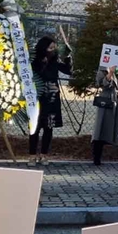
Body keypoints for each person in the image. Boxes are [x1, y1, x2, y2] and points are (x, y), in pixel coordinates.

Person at [29, 36, 73, 166]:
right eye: (50, 47)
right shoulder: (34, 60)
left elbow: (67, 70)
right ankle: (32, 155)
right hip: (37, 98)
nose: (52, 50)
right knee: (34, 127)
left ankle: (44, 155)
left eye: (54, 48)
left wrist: (68, 57)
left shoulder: (55, 60)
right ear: (43, 47)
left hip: (52, 99)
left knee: (49, 128)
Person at [91, 66, 118, 165]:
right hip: (106, 100)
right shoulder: (103, 66)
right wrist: (110, 73)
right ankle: (96, 157)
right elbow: (101, 83)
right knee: (101, 129)